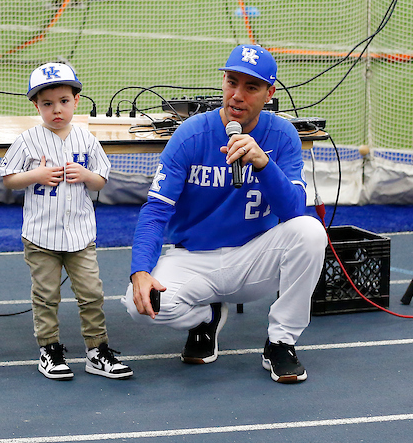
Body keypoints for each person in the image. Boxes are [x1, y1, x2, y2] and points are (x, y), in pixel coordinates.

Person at [123, 44, 326, 383]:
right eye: (232, 82)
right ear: (223, 81)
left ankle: (281, 341)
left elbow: (293, 210)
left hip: (254, 258)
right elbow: (156, 210)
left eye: (251, 87)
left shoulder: (283, 135)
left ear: (269, 93)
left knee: (310, 231)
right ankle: (205, 316)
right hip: (194, 259)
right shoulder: (190, 135)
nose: (237, 96)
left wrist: (263, 164)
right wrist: (140, 271)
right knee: (138, 305)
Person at [0, 62, 134, 382]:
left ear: (76, 101)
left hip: (81, 235)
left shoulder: (86, 139)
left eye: (63, 101)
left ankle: (97, 350)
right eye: (47, 104)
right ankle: (49, 349)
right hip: (40, 235)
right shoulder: (28, 140)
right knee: (46, 295)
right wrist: (37, 175)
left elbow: (101, 180)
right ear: (36, 106)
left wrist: (87, 175)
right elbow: (8, 178)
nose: (56, 110)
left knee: (91, 293)